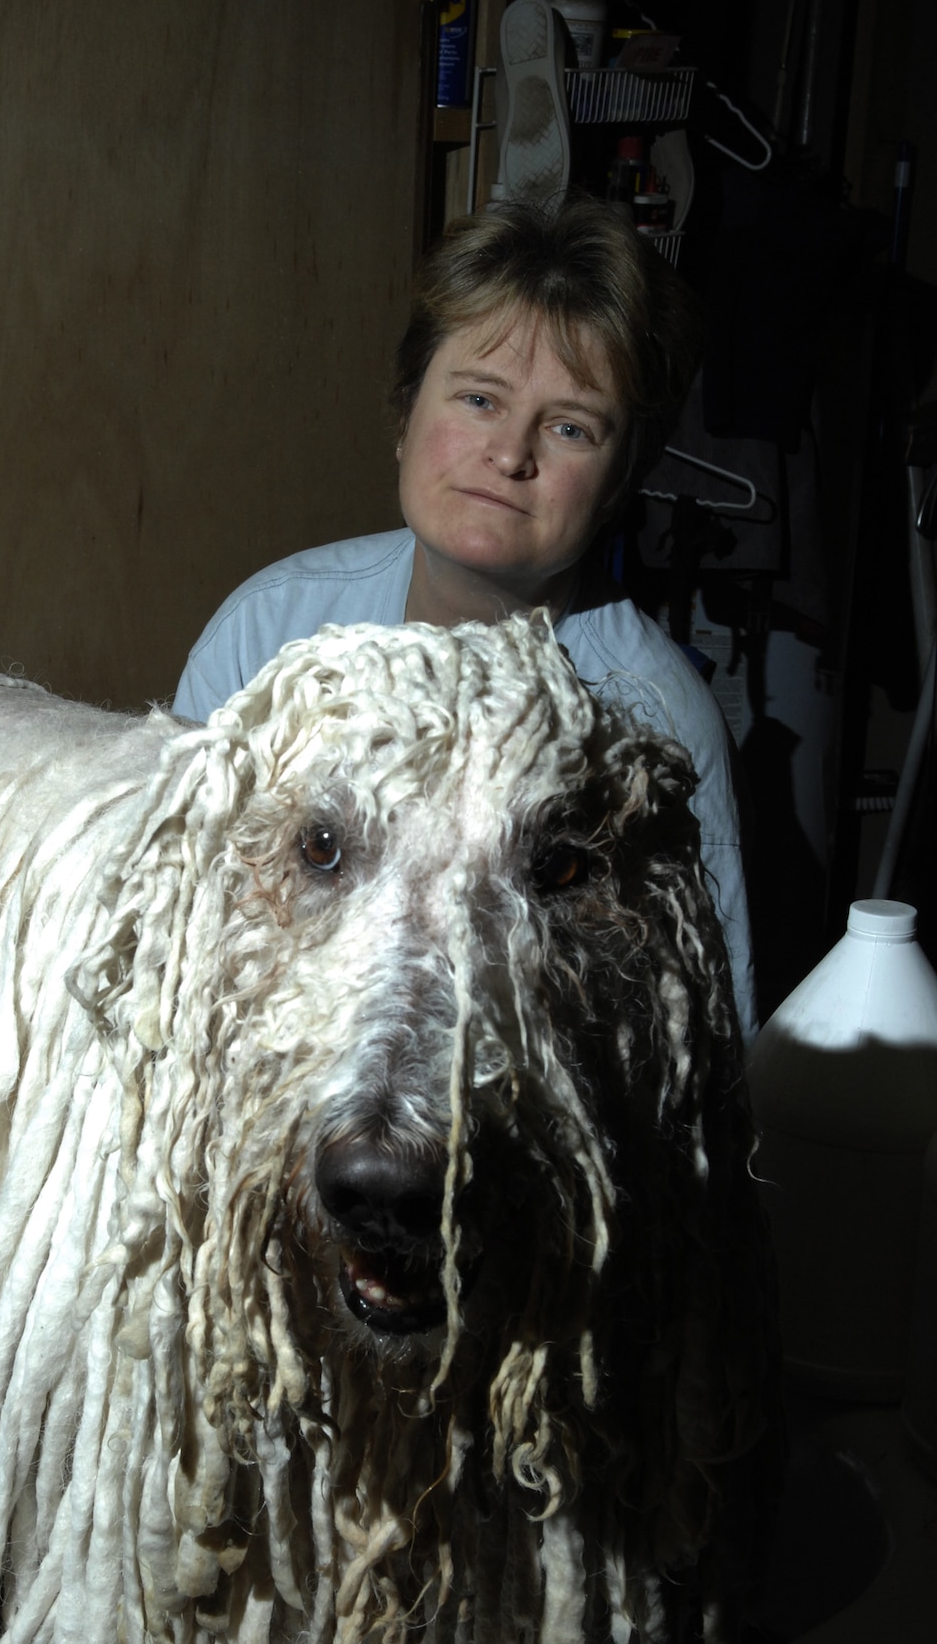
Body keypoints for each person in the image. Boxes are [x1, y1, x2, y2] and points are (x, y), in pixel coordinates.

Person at [173, 196, 755, 1037]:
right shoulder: (268, 631)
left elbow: (707, 1038)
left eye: (570, 428)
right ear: (406, 413)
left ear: (622, 481)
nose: (512, 453)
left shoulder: (656, 714)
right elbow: (173, 938)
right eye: (479, 400)